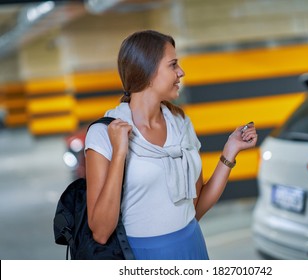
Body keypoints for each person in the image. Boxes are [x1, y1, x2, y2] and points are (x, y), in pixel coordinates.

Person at [84, 30, 258, 260]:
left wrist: (230, 151)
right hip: (141, 256)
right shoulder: (103, 134)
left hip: (192, 247)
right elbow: (101, 232)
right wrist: (119, 153)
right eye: (173, 65)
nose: (181, 72)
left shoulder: (181, 124)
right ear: (146, 72)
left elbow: (195, 209)